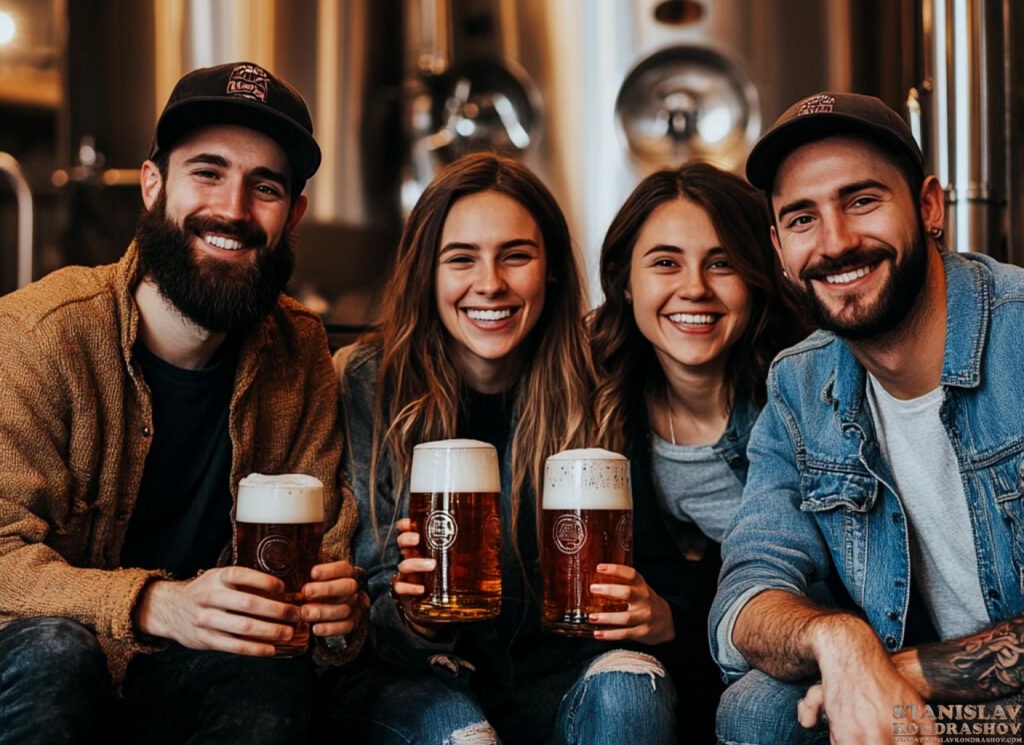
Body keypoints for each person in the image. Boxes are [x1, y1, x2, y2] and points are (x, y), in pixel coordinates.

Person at [0, 61, 365, 745]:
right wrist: (154, 603)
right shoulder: (38, 336)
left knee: (267, 668)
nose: (233, 209)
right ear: (153, 185)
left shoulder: (300, 352)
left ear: (294, 216)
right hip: (40, 680)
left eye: (265, 186)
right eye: (207, 171)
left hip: (189, 689)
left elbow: (325, 564)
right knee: (57, 651)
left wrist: (341, 617)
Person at [331, 151, 679, 744]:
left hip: (558, 676)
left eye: (515, 255)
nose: (489, 283)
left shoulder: (599, 382)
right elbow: (366, 605)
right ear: (427, 274)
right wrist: (415, 619)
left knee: (631, 697)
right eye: (461, 258)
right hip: (417, 678)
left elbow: (654, 566)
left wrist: (657, 611)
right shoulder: (367, 379)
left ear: (550, 271)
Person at [711, 91, 1024, 744]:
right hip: (926, 716)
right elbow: (745, 595)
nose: (837, 242)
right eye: (802, 219)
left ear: (929, 207)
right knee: (758, 708)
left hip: (981, 700)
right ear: (778, 246)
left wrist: (911, 669)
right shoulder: (800, 385)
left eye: (862, 200)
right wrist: (840, 640)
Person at [589, 161, 808, 742]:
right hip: (665, 684)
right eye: (665, 262)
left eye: (722, 263)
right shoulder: (595, 393)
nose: (694, 288)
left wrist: (675, 619)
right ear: (625, 279)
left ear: (758, 273)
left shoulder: (804, 392)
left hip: (786, 670)